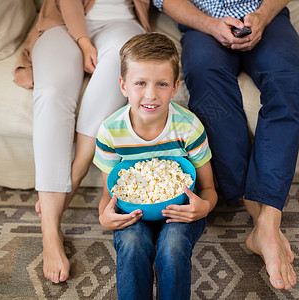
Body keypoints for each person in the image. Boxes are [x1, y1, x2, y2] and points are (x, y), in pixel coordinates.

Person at [152, 0, 299, 291]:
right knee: (207, 87)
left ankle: (269, 220)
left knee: (289, 82)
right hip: (203, 23)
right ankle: (260, 222)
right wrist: (212, 25)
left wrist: (262, 16)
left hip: (265, 18)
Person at [13, 0, 151, 284]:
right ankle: (50, 230)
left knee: (123, 63)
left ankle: (75, 175)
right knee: (50, 93)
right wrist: (85, 43)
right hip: (62, 24)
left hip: (121, 24)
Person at [94, 32, 218, 299]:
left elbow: (208, 189)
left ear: (175, 87)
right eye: (140, 83)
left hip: (180, 210)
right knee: (131, 241)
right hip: (133, 211)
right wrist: (105, 217)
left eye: (161, 84)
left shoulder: (188, 127)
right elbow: (109, 194)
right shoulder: (110, 132)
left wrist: (203, 207)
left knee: (172, 245)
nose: (151, 95)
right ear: (123, 85)